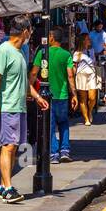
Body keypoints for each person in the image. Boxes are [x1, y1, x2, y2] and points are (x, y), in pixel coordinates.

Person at [0, 16, 47, 204]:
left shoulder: (21, 52)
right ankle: (7, 188)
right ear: (25, 31)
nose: (31, 34)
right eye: (30, 30)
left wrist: (37, 97)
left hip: (19, 106)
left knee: (13, 148)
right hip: (6, 107)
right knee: (8, 146)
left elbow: (23, 81)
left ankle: (2, 185)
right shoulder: (3, 51)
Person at [31, 27, 76, 163]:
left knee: (49, 125)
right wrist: (74, 94)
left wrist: (29, 87)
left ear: (51, 38)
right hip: (62, 96)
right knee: (63, 123)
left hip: (46, 97)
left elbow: (34, 73)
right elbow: (70, 75)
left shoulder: (42, 53)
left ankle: (54, 154)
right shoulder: (66, 54)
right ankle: (65, 151)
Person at [72, 32, 98, 127]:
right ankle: (86, 118)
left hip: (91, 74)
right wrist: (72, 79)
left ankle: (89, 111)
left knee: (92, 98)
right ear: (83, 41)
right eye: (87, 39)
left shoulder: (91, 51)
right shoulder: (77, 53)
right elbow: (74, 66)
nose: (89, 40)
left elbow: (94, 62)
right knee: (83, 98)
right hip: (81, 75)